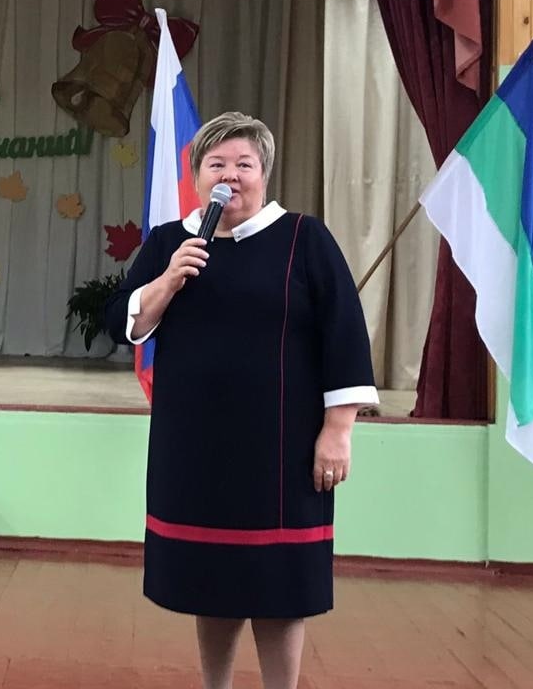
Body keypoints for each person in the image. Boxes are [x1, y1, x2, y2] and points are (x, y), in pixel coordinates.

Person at [104, 111, 378, 689]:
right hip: (195, 449)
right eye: (217, 164)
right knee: (213, 582)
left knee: (281, 588)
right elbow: (125, 323)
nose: (230, 175)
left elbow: (346, 337)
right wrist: (167, 280)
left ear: (263, 175)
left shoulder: (304, 238)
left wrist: (338, 430)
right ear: (197, 177)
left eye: (243, 164)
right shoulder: (170, 241)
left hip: (282, 453)